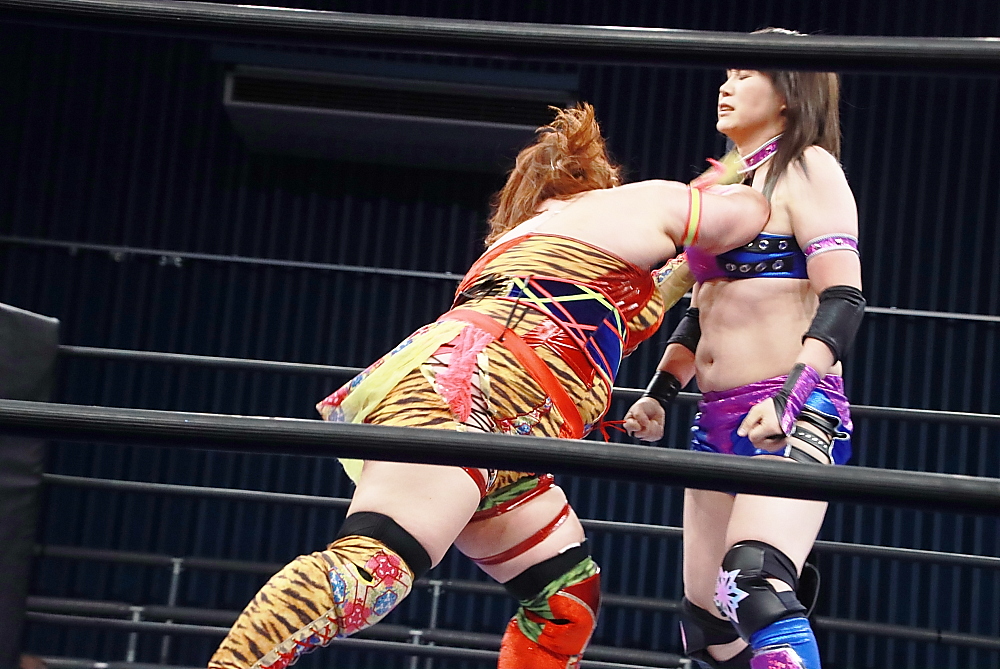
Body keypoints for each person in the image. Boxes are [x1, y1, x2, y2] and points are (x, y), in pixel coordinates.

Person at [209, 103, 768, 669]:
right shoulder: (632, 203)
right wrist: (765, 170)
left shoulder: (558, 241)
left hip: (516, 426)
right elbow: (743, 218)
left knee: (563, 602)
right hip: (470, 390)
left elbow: (657, 292)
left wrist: (731, 175)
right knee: (373, 570)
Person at [624, 51, 864, 669]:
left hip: (790, 409)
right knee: (707, 624)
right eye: (726, 74)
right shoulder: (728, 186)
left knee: (753, 583)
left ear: (786, 92)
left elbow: (843, 297)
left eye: (744, 75)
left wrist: (790, 398)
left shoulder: (808, 167)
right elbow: (706, 305)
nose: (725, 86)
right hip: (715, 416)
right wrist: (661, 391)